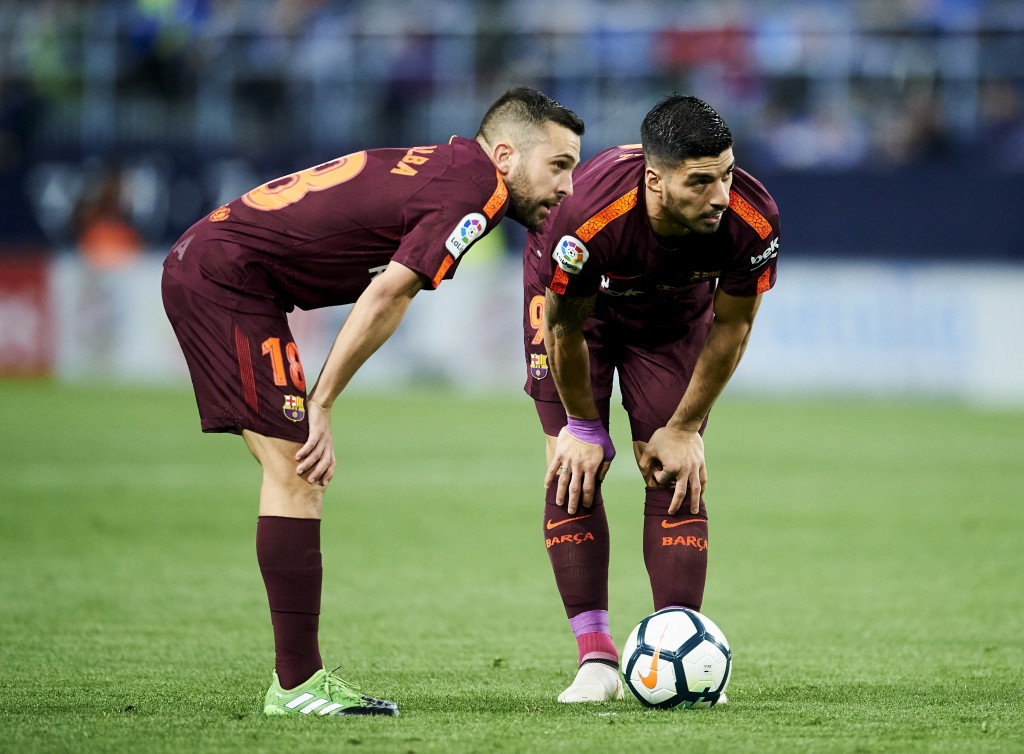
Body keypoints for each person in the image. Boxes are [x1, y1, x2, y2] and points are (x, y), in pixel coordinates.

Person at [162, 87, 584, 717]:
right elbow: (389, 293)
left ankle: (299, 681)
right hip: (226, 278)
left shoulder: (452, 169)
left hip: (228, 271)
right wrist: (323, 402)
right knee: (298, 473)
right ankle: (297, 685)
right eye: (558, 165)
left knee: (295, 475)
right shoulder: (478, 192)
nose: (569, 187)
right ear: (505, 155)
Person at [522, 95, 780, 702]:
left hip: (672, 318)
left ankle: (674, 645)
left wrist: (686, 428)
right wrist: (584, 427)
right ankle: (596, 662)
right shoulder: (586, 218)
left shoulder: (751, 217)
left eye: (727, 173)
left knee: (674, 471)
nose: (721, 195)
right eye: (700, 182)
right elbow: (564, 329)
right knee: (573, 468)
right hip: (577, 315)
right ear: (654, 180)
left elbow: (734, 326)